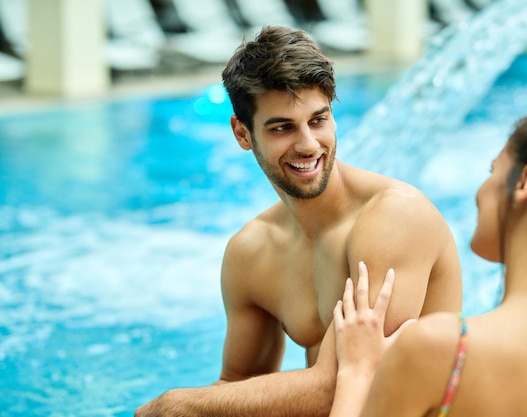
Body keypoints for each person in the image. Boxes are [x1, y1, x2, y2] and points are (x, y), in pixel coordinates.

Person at [134, 25, 462, 417]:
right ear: (242, 133)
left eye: (318, 120)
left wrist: (177, 404)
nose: (308, 144)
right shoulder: (251, 252)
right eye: (282, 128)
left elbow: (353, 382)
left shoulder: (393, 217)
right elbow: (236, 390)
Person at [329, 89, 527, 417]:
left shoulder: (440, 349)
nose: (480, 192)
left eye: (492, 171)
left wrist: (357, 371)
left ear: (525, 182)